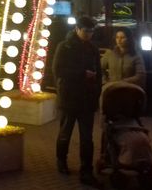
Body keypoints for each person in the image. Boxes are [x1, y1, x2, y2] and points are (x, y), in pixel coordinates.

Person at [52, 16, 102, 188]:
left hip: (87, 99)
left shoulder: (93, 49)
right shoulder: (65, 46)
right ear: (77, 29)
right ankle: (61, 161)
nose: (89, 34)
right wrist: (82, 74)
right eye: (86, 31)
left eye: (92, 31)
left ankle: (86, 170)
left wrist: (97, 92)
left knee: (87, 138)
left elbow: (99, 73)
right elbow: (58, 70)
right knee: (65, 132)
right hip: (69, 98)